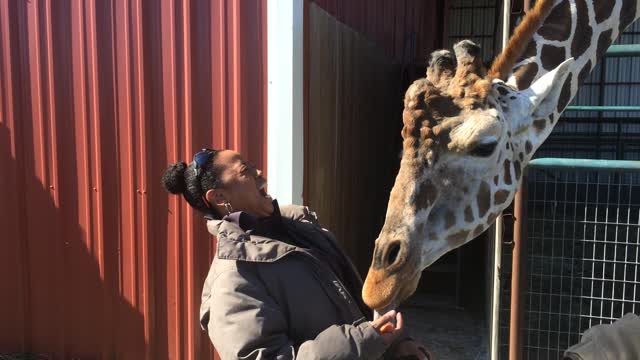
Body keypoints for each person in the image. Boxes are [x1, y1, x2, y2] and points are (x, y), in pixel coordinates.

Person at [162, 148, 432, 360]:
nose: (259, 171)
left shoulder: (301, 228)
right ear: (219, 197)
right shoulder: (233, 279)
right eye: (245, 170)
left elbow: (349, 300)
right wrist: (365, 342)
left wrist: (396, 342)